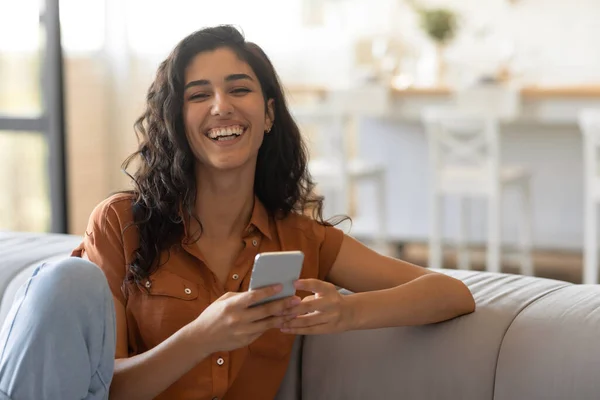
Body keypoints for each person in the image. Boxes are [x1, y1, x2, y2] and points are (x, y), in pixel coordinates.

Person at [0, 25, 475, 400]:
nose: (221, 107)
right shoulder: (121, 224)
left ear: (268, 115)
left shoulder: (303, 240)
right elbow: (106, 389)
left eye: (238, 89)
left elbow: (451, 294)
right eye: (198, 94)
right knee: (66, 280)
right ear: (178, 121)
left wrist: (346, 310)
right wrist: (202, 337)